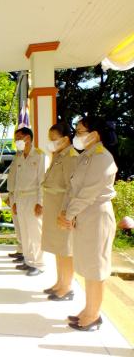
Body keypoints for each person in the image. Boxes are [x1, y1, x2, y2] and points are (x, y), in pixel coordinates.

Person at [58, 117, 117, 331]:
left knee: (96, 267)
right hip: (84, 216)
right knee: (87, 264)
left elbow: (88, 193)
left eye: (81, 131)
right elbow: (74, 189)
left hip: (96, 216)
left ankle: (94, 315)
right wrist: (66, 212)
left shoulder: (102, 158)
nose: (77, 135)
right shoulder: (87, 157)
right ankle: (88, 309)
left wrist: (68, 214)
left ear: (95, 134)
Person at [41, 123, 78, 301]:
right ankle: (60, 282)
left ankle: (67, 287)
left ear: (65, 139)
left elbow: (71, 187)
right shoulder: (58, 156)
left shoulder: (70, 157)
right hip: (53, 204)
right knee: (58, 247)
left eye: (53, 139)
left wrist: (66, 212)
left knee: (65, 248)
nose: (51, 143)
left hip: (62, 206)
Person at [10, 127, 47, 276]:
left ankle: (39, 263)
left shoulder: (39, 156)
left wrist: (40, 202)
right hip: (20, 198)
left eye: (19, 138)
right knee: (24, 232)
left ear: (28, 138)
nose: (16, 141)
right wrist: (14, 202)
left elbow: (42, 181)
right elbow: (17, 182)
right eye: (15, 138)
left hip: (33, 198)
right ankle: (28, 261)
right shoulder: (19, 157)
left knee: (35, 232)